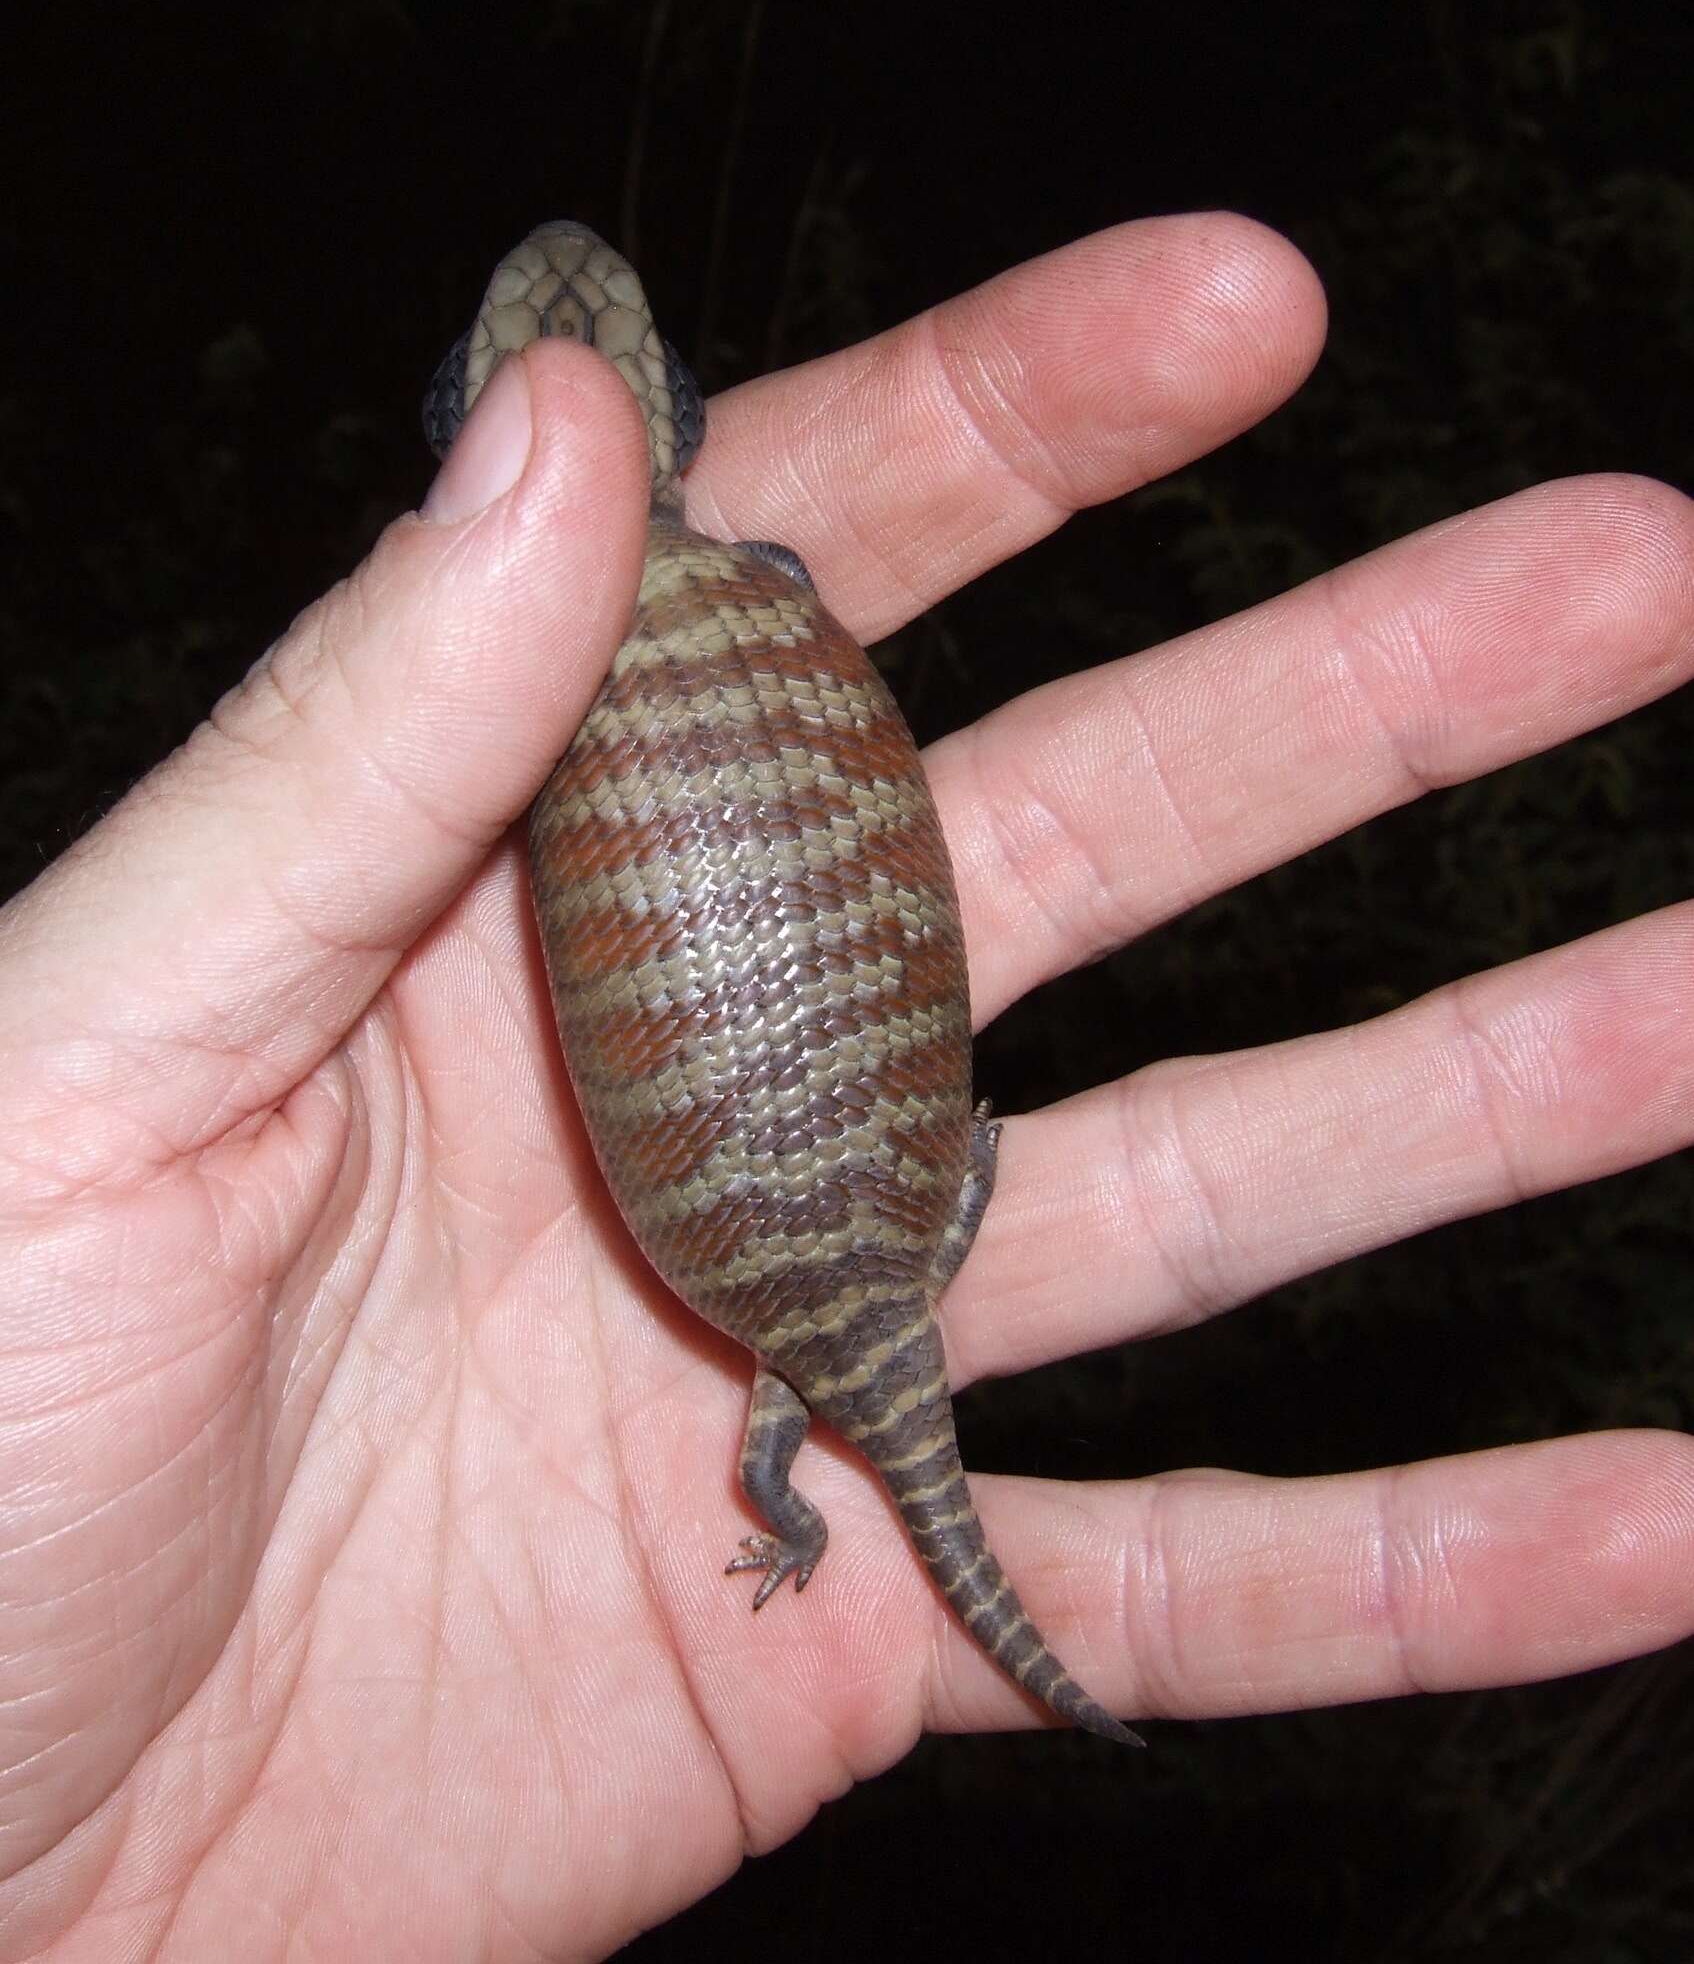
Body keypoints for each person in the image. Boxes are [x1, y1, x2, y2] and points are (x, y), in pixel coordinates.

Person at [0, 213, 1689, 1957]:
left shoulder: (574, 696)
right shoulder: (757, 590)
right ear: (677, 415)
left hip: (866, 1216)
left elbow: (923, 1203)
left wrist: (940, 1199)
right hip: (836, 1224)